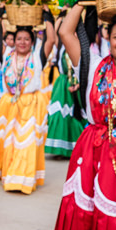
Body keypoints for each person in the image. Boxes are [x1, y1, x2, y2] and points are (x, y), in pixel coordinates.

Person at [46, 5, 116, 230]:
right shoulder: (92, 66)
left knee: (115, 219)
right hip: (93, 147)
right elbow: (66, 31)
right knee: (84, 214)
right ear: (107, 35)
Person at [0, 10, 55, 194]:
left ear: (32, 42)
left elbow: (50, 39)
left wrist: (48, 17)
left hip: (29, 106)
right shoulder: (7, 54)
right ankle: (6, 171)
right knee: (6, 141)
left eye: (26, 39)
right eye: (19, 39)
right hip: (8, 104)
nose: (22, 42)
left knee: (25, 142)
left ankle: (21, 177)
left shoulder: (37, 56)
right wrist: (0, 15)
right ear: (14, 41)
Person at [45, 14, 84, 158]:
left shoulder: (82, 46)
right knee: (59, 113)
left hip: (77, 83)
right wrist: (61, 16)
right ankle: (60, 149)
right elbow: (56, 34)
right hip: (62, 85)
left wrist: (80, 83)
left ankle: (75, 148)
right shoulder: (60, 46)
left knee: (76, 115)